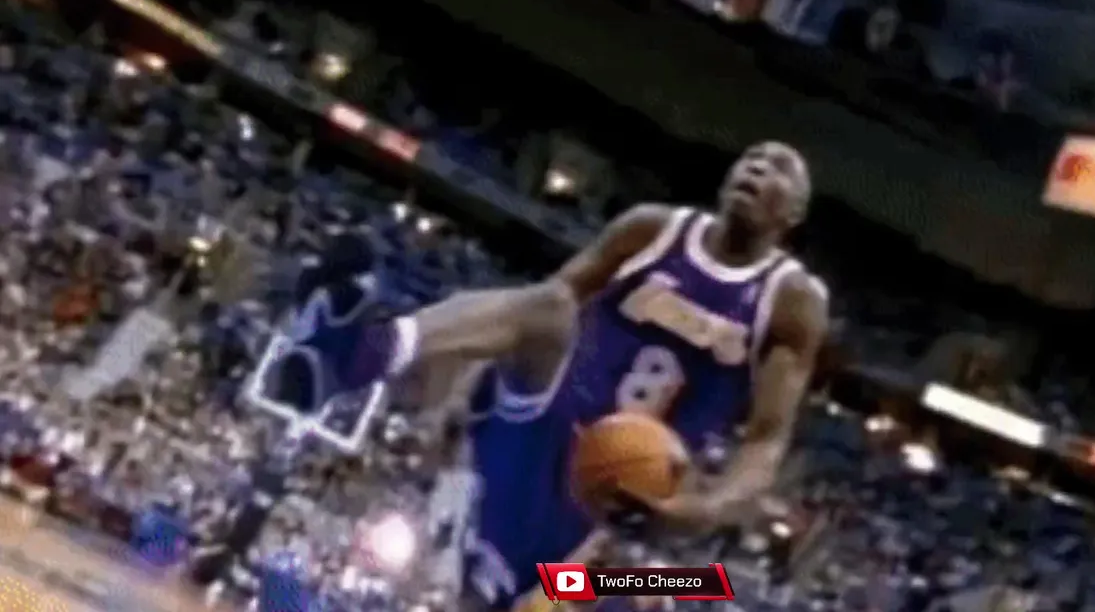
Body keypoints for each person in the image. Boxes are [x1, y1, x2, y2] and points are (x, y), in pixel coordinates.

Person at [257, 141, 829, 610]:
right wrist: (462, 388)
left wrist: (698, 512)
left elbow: (765, 446)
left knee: (659, 587)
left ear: (794, 215)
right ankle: (359, 354)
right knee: (552, 306)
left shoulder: (792, 301)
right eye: (752, 158)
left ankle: (496, 568)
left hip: (607, 500)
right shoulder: (653, 229)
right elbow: (529, 309)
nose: (758, 168)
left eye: (779, 168)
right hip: (546, 423)